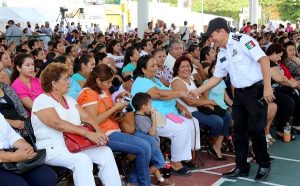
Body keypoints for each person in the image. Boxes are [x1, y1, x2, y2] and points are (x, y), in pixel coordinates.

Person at [193, 17, 274, 181]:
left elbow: (264, 59)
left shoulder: (243, 40)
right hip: (240, 95)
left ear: (222, 31)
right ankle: (241, 166)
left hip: (256, 91)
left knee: (256, 130)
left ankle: (264, 164)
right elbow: (217, 77)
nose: (211, 39)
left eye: (212, 35)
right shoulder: (221, 52)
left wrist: (267, 86)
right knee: (239, 133)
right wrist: (197, 91)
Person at [31, 63, 121, 186]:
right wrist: (87, 133)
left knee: (105, 152)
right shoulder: (41, 100)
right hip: (52, 149)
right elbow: (57, 123)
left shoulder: (68, 99)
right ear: (54, 83)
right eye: (65, 79)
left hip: (75, 145)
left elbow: (86, 116)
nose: (69, 81)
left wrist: (98, 130)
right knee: (82, 160)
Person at [77, 64, 152, 186]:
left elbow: (107, 109)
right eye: (108, 82)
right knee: (144, 146)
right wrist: (115, 108)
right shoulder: (88, 94)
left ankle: (133, 181)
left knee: (151, 142)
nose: (110, 85)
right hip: (103, 134)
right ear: (98, 80)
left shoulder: (102, 89)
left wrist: (119, 101)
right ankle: (144, 183)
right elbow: (93, 122)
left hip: (115, 129)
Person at [131, 55, 201, 177]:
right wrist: (181, 92)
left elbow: (169, 95)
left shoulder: (155, 79)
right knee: (181, 129)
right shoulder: (141, 81)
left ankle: (186, 158)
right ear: (143, 69)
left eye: (155, 65)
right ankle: (175, 163)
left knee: (193, 122)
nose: (155, 68)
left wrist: (180, 106)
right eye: (152, 66)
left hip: (170, 113)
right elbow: (160, 95)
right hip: (153, 118)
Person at [171, 56, 231, 160]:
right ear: (177, 69)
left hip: (199, 109)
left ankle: (217, 145)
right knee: (217, 121)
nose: (186, 69)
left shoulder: (190, 79)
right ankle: (211, 142)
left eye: (188, 66)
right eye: (183, 67)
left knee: (227, 116)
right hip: (188, 112)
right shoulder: (176, 82)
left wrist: (206, 103)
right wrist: (208, 101)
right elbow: (189, 101)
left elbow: (199, 95)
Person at [0, 113, 57, 186]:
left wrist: (26, 147)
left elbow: (10, 135)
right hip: (6, 158)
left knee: (47, 176)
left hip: (11, 157)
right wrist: (13, 157)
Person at [132, 92, 175, 186]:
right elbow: (152, 132)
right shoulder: (140, 119)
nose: (151, 106)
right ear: (143, 106)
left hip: (153, 144)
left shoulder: (141, 116)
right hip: (152, 145)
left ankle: (160, 180)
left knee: (155, 162)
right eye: (150, 104)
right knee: (160, 163)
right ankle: (139, 178)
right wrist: (154, 118)